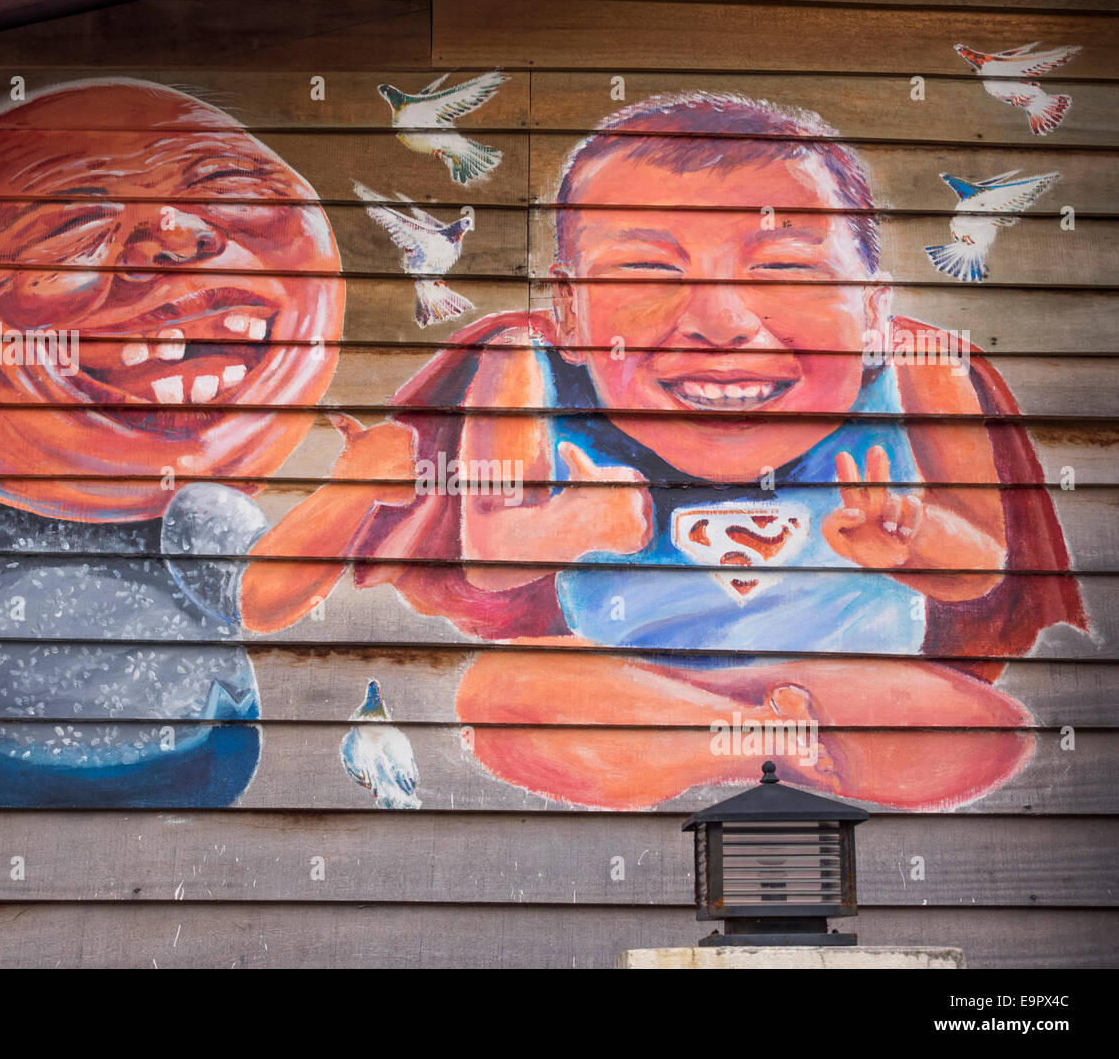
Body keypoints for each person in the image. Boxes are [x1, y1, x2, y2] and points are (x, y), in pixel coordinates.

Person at [351, 91, 1088, 810]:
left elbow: (981, 563)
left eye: (784, 271)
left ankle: (737, 740)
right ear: (570, 309)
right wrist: (579, 524)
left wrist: (913, 538)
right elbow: (490, 548)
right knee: (504, 694)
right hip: (632, 679)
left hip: (843, 682)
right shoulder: (523, 369)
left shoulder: (924, 371)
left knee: (984, 726)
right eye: (646, 272)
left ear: (872, 307)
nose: (722, 321)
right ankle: (751, 745)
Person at [0, 79, 411, 807]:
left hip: (197, 760)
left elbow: (262, 594)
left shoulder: (192, 508)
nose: (177, 233)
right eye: (66, 227)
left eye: (230, 188)